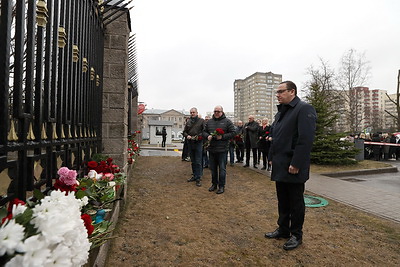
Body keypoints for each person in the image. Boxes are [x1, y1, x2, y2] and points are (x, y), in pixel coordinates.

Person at [264, 81, 316, 251]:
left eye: (281, 91)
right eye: (276, 92)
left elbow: (305, 140)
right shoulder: (281, 113)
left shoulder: (304, 109)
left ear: (292, 91)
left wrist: (296, 163)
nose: (277, 95)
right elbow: (276, 137)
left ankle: (296, 235)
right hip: (280, 165)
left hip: (293, 166)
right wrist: (271, 157)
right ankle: (284, 229)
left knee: (296, 202)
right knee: (283, 200)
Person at [204, 105, 236, 194]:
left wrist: (222, 137)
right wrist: (207, 136)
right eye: (215, 111)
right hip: (212, 149)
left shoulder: (227, 122)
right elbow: (203, 131)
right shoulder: (209, 122)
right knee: (213, 169)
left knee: (222, 169)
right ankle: (214, 184)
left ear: (222, 112)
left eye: (218, 111)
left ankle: (221, 186)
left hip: (222, 149)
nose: (216, 113)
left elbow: (233, 133)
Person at [183, 108, 205, 186]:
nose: (192, 114)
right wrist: (187, 136)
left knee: (198, 160)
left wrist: (198, 136)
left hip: (198, 142)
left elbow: (204, 131)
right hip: (190, 142)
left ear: (196, 113)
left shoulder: (201, 121)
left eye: (193, 112)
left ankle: (198, 177)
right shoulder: (188, 121)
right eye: (191, 112)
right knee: (193, 160)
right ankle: (194, 175)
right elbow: (184, 132)